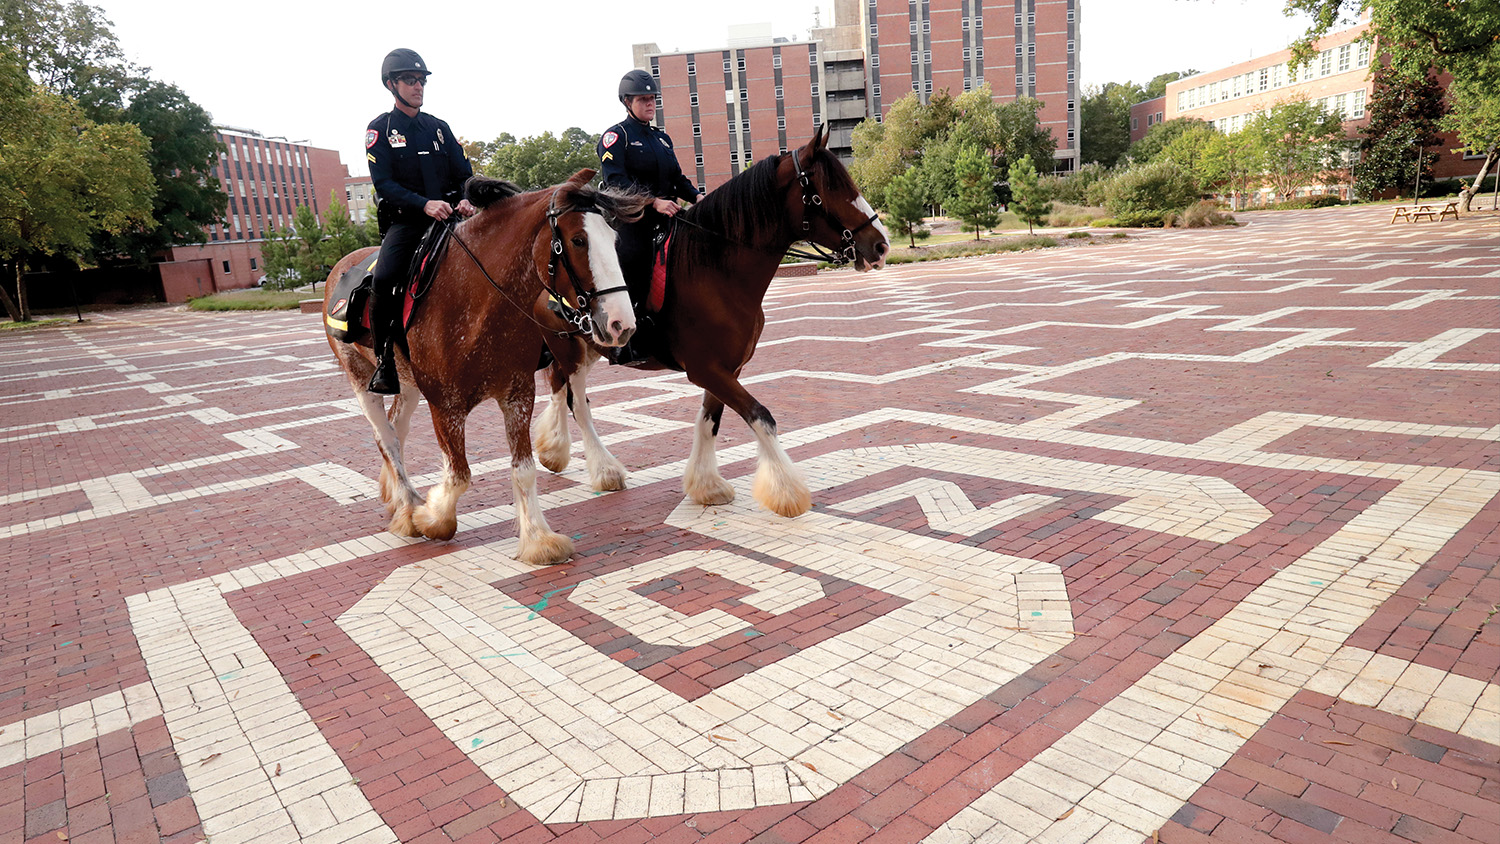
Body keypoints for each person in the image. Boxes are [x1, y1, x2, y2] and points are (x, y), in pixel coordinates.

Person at [363, 48, 476, 394]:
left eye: (421, 80)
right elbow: (384, 184)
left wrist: (467, 197)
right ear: (391, 84)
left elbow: (463, 174)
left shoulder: (439, 129)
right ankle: (385, 361)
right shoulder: (379, 130)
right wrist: (425, 204)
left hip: (452, 222)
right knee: (383, 278)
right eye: (410, 80)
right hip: (408, 223)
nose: (418, 86)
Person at [598, 69, 701, 363]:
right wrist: (652, 201)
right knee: (635, 260)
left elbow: (677, 178)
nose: (650, 104)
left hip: (668, 215)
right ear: (627, 102)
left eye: (652, 99)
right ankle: (625, 340)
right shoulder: (616, 137)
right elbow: (616, 182)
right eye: (643, 99)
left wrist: (697, 196)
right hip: (633, 221)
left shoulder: (662, 139)